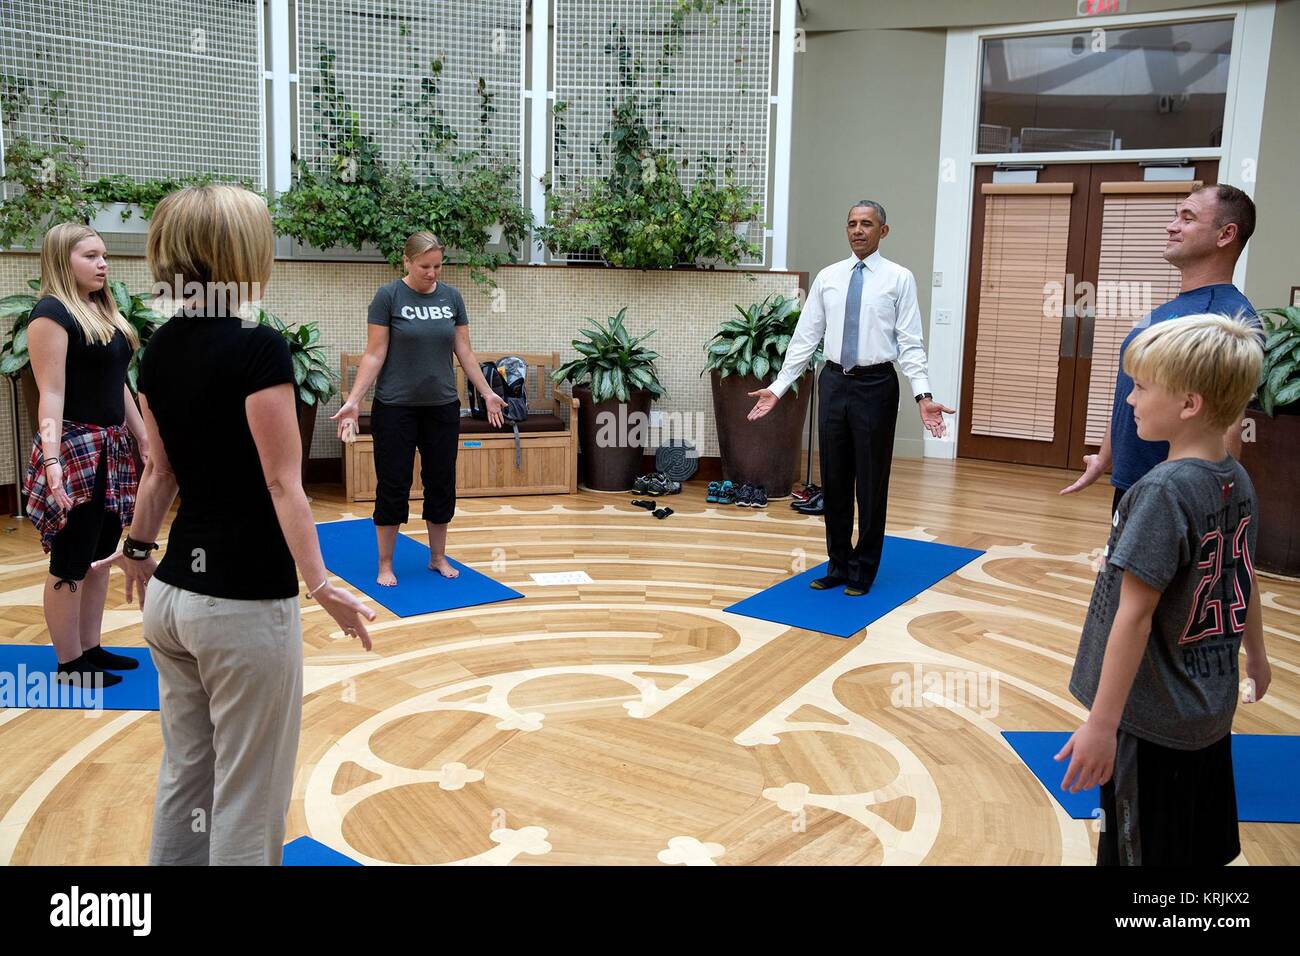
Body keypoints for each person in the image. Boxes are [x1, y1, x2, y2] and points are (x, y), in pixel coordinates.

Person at [94, 184, 376, 865]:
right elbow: (284, 483)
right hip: (242, 608)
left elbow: (159, 473)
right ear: (239, 254)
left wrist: (137, 548)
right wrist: (321, 582)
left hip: (170, 602)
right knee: (250, 795)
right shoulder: (258, 347)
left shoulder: (158, 349)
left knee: (186, 779)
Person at [1057, 315, 1270, 866]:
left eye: (1142, 387)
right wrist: (1257, 659)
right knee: (1189, 848)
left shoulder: (1162, 492)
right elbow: (1239, 579)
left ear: (1190, 403)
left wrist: (1102, 725)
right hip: (1207, 709)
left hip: (1149, 722)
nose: (1130, 400)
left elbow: (1133, 617)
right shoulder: (1234, 479)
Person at [748, 200, 954, 595]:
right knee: (836, 480)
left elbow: (910, 343)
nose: (858, 230)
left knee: (871, 483)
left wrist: (922, 394)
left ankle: (864, 569)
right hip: (834, 383)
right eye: (852, 224)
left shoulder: (899, 279)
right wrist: (778, 388)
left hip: (876, 386)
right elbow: (804, 339)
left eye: (867, 224)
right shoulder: (829, 277)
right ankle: (839, 564)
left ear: (883, 231)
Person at [1061, 184, 1263, 512]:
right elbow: (1131, 386)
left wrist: (1215, 505)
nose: (1171, 226)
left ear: (1225, 234)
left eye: (1187, 218)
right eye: (1175, 216)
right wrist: (1104, 457)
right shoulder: (1168, 310)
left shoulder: (1228, 316)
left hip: (1173, 494)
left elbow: (1229, 419)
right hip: (1133, 483)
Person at [332, 231, 505, 587]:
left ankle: (437, 558)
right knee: (393, 484)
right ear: (407, 261)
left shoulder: (452, 298)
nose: (432, 273)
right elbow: (374, 353)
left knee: (441, 483)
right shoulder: (388, 297)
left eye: (438, 266)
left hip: (441, 407)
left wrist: (487, 392)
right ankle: (385, 563)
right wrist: (353, 400)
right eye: (425, 266)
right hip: (395, 408)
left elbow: (465, 353)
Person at [22, 223, 147, 687]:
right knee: (71, 557)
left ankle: (91, 647)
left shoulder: (100, 310)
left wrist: (144, 437)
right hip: (76, 449)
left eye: (104, 255)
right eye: (91, 256)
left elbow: (117, 383)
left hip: (111, 448)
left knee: (100, 554)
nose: (103, 264)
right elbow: (50, 393)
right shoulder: (50, 314)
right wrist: (52, 461)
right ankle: (69, 662)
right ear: (63, 260)